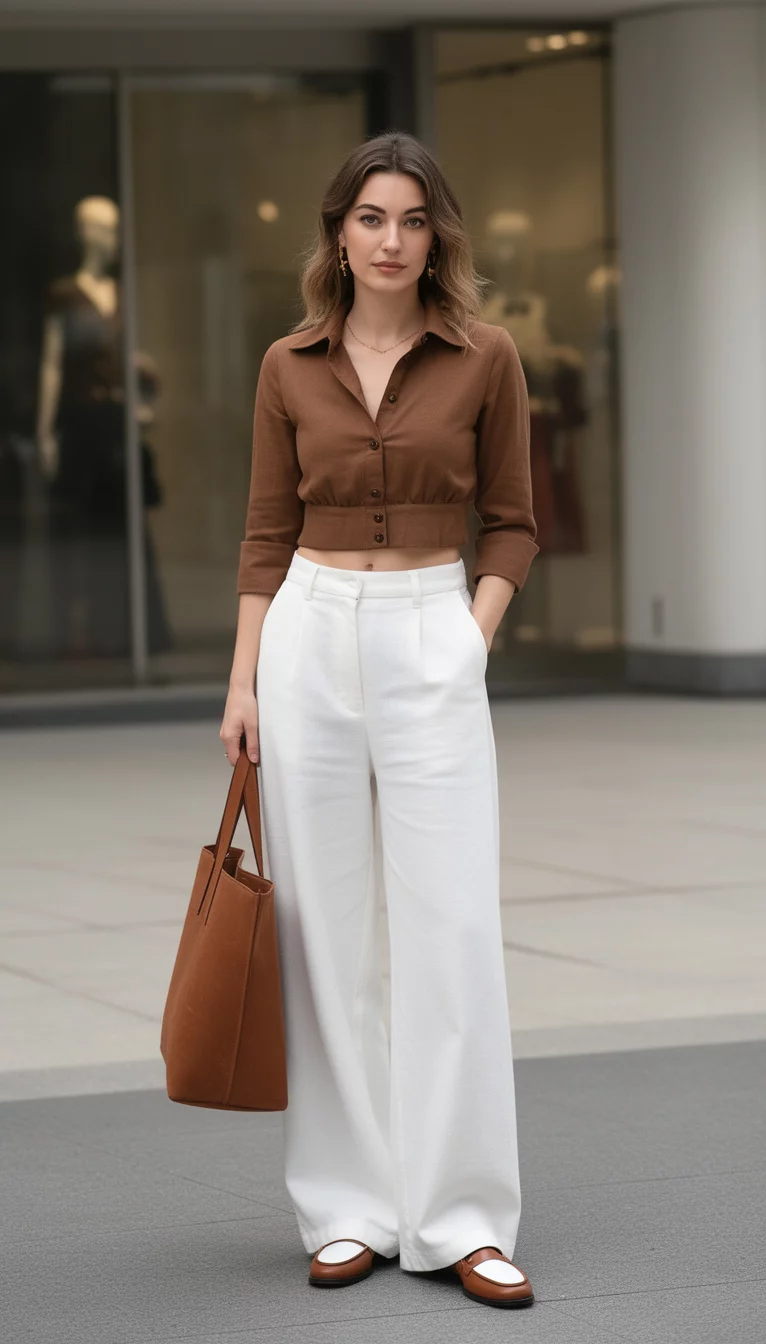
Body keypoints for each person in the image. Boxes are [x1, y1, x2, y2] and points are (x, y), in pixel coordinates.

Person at [220, 131, 538, 1309]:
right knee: (327, 932)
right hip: (308, 633)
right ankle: (346, 1206)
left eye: (411, 219)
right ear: (337, 235)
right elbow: (262, 535)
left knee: (449, 926)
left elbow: (513, 520)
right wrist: (246, 683)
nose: (392, 240)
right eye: (370, 219)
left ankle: (462, 1218)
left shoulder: (485, 356)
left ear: (435, 234)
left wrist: (471, 635)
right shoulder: (286, 363)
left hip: (428, 630)